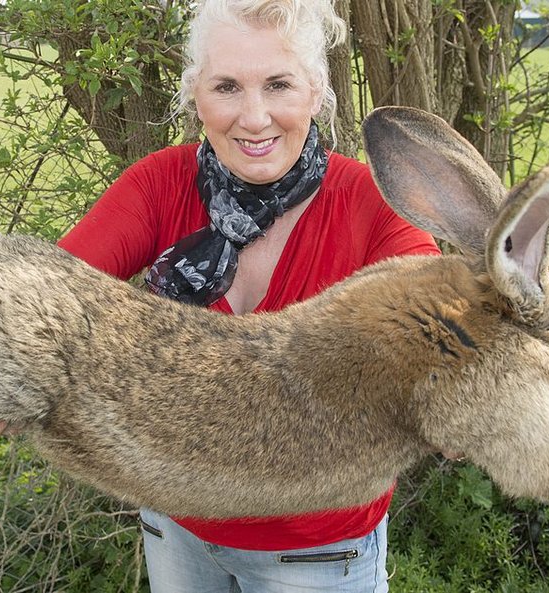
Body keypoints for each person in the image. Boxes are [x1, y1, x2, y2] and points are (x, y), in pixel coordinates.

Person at [58, 0, 439, 590]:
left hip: (316, 551)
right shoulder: (159, 185)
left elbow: (436, 336)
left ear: (315, 92)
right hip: (176, 523)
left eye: (279, 85)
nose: (254, 117)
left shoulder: (373, 210)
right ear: (196, 96)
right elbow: (44, 296)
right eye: (228, 86)